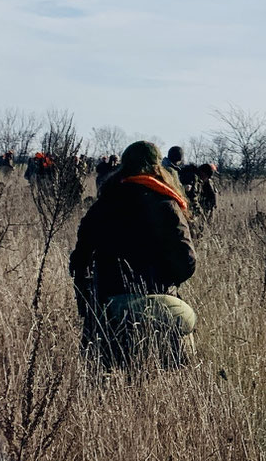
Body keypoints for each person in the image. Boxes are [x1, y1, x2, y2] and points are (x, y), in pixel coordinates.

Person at [69, 141, 197, 368]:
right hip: (159, 307)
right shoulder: (166, 203)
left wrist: (91, 299)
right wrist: (161, 284)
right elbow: (186, 261)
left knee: (102, 383)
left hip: (108, 308)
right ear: (157, 166)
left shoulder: (104, 204)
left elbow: (80, 260)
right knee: (170, 378)